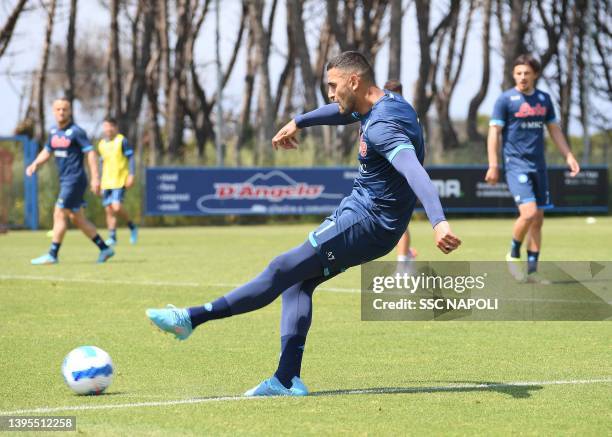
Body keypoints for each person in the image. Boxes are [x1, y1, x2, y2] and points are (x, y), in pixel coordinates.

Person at [146, 51, 461, 396]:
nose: (329, 93)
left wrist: (438, 221)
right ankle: (285, 379)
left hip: (365, 221)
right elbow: (343, 113)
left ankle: (191, 319)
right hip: (372, 221)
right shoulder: (390, 102)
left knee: (282, 268)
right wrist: (299, 121)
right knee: (298, 284)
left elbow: (413, 168)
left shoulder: (384, 127)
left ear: (354, 81)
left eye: (332, 85)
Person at [486, 54, 580, 282]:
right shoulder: (505, 100)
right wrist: (493, 164)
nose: (522, 77)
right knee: (528, 213)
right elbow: (494, 133)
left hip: (539, 166)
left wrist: (569, 156)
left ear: (535, 74)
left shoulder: (544, 99)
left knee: (538, 219)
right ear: (513, 74)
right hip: (516, 165)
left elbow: (554, 130)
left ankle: (532, 272)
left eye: (527, 73)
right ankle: (513, 253)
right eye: (518, 73)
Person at [26, 97, 114, 264]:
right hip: (65, 179)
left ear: (70, 112)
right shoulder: (53, 132)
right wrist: (35, 164)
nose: (61, 112)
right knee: (77, 219)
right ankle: (105, 248)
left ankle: (52, 255)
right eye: (58, 109)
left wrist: (96, 177)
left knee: (59, 212)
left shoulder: (76, 132)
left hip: (75, 180)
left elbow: (91, 153)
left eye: (64, 109)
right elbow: (47, 151)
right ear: (53, 112)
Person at [384, 79, 418, 264]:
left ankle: (403, 262)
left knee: (400, 221)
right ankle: (406, 255)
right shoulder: (403, 111)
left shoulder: (405, 113)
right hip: (387, 174)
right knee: (394, 220)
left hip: (401, 173)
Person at [98, 117, 138, 246]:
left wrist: (131, 175)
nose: (108, 129)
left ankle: (132, 226)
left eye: (110, 126)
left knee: (116, 206)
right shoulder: (101, 144)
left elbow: (131, 158)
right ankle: (112, 237)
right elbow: (101, 163)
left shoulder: (122, 141)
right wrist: (98, 180)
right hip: (106, 181)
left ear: (115, 127)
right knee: (109, 209)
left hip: (119, 180)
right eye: (105, 126)